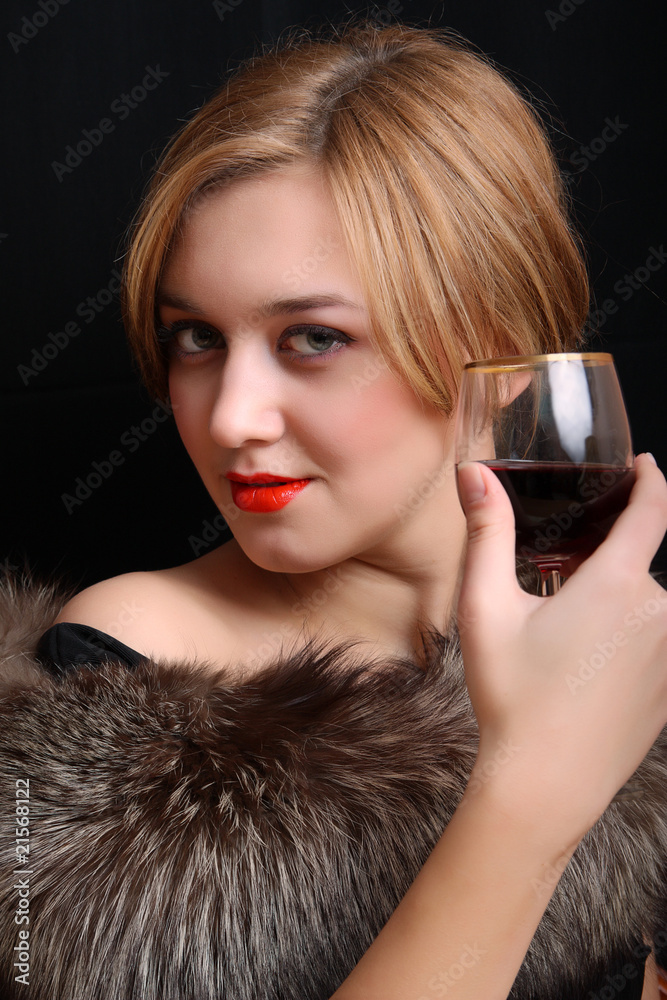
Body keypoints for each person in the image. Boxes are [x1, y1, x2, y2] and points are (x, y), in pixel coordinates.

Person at [1, 21, 666, 1000]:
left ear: (495, 343)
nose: (230, 418)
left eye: (311, 336)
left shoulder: (590, 619)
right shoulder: (118, 677)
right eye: (195, 337)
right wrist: (532, 792)